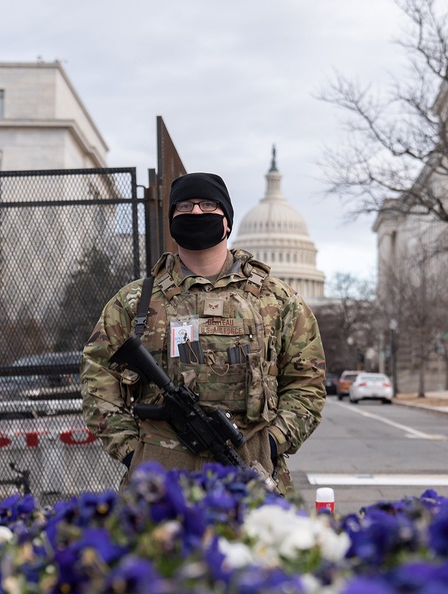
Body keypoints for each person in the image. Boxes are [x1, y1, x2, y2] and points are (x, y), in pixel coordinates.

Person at [81, 172, 326, 494]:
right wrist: (132, 453)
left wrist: (271, 444)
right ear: (171, 221)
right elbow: (98, 378)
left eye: (208, 204)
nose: (196, 213)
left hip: (250, 462)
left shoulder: (278, 301)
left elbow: (308, 385)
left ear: (227, 221)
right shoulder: (134, 301)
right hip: (160, 474)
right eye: (184, 206)